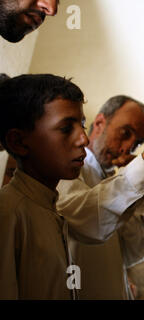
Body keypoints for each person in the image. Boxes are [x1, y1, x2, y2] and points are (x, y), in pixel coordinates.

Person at [0, 74, 90, 299]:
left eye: (82, 125)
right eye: (66, 128)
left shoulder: (50, 211)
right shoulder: (8, 213)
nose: (84, 139)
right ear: (18, 142)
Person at [56, 95, 144, 299]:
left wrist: (136, 187)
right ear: (100, 122)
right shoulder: (65, 168)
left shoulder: (122, 185)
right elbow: (84, 219)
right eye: (125, 133)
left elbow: (136, 253)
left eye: (136, 143)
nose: (127, 148)